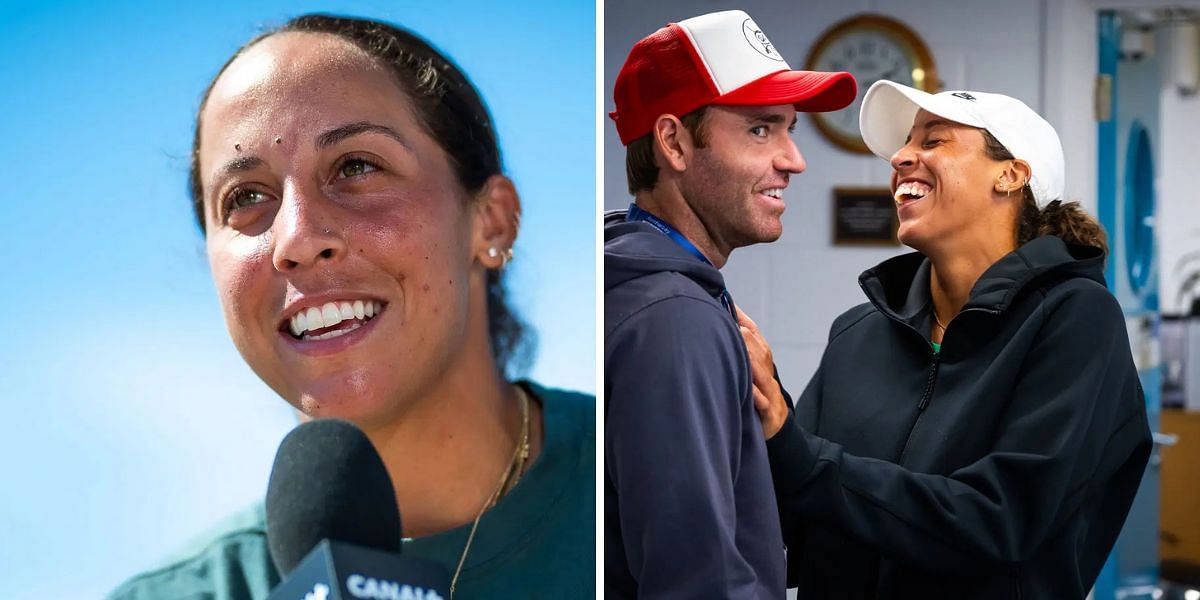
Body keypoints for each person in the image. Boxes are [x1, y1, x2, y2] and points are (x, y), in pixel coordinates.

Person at [109, 14, 594, 599]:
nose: (297, 239)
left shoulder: (644, 475)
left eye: (356, 167)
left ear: (490, 221)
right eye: (246, 198)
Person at [740, 80, 1153, 599]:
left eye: (932, 141)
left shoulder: (1076, 320)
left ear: (1010, 174)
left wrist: (798, 452)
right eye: (906, 143)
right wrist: (759, 404)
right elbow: (798, 512)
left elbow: (1001, 520)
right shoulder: (857, 333)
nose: (901, 157)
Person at [603, 9, 856, 598]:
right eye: (761, 130)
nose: (794, 160)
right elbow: (697, 581)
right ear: (673, 142)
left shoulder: (650, 285)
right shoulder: (672, 317)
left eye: (789, 129)